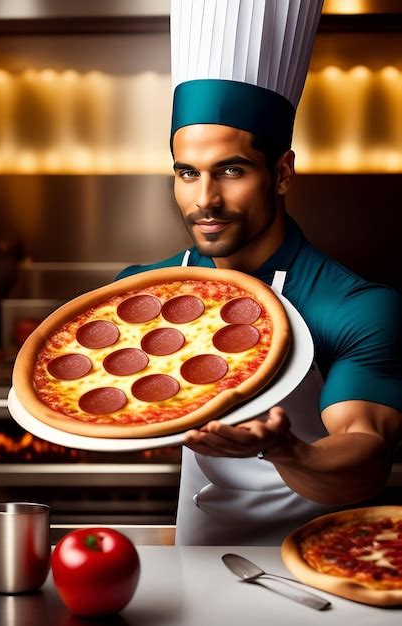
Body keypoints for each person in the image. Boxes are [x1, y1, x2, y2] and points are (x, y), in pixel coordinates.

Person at [116, 1, 402, 545]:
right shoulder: (141, 292)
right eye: (186, 173)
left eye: (231, 170)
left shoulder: (355, 305)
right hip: (195, 566)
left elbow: (366, 456)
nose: (206, 200)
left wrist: (282, 447)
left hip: (324, 569)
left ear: (282, 173)